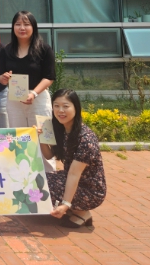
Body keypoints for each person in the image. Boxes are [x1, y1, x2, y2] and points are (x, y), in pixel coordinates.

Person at [39, 89, 106, 228]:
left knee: (44, 185)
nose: (60, 110)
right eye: (56, 106)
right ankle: (74, 209)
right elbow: (49, 155)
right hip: (73, 179)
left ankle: (81, 212)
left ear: (76, 108)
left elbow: (74, 174)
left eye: (66, 106)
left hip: (90, 190)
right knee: (37, 179)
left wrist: (65, 204)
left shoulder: (86, 138)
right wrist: (41, 138)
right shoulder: (61, 130)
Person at [0, 11, 55, 127]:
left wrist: (33, 94)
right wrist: (3, 78)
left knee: (42, 134)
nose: (22, 28)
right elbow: (0, 76)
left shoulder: (44, 49)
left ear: (33, 27)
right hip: (14, 100)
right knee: (19, 135)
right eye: (18, 24)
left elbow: (49, 77)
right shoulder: (6, 50)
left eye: (26, 24)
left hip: (38, 98)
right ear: (13, 27)